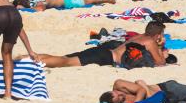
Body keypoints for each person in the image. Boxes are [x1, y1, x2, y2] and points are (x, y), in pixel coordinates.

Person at [36, 21, 168, 69]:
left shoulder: (138, 36)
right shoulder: (150, 42)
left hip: (102, 51)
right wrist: (161, 47)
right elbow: (160, 62)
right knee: (66, 62)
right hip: (105, 57)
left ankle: (28, 57)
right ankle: (34, 63)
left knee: (63, 58)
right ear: (157, 35)